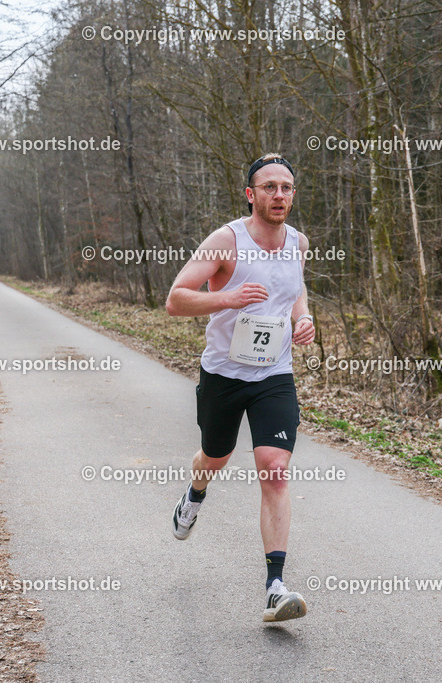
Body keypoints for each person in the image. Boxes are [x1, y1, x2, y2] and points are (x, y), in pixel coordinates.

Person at [165, 153, 314, 622]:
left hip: (274, 375)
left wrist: (303, 317)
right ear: (251, 194)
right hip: (224, 376)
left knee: (274, 469)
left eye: (286, 187)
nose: (279, 195)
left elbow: (295, 290)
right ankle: (195, 493)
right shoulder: (225, 241)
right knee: (215, 457)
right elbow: (175, 299)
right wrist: (227, 297)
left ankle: (276, 586)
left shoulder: (299, 243)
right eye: (269, 187)